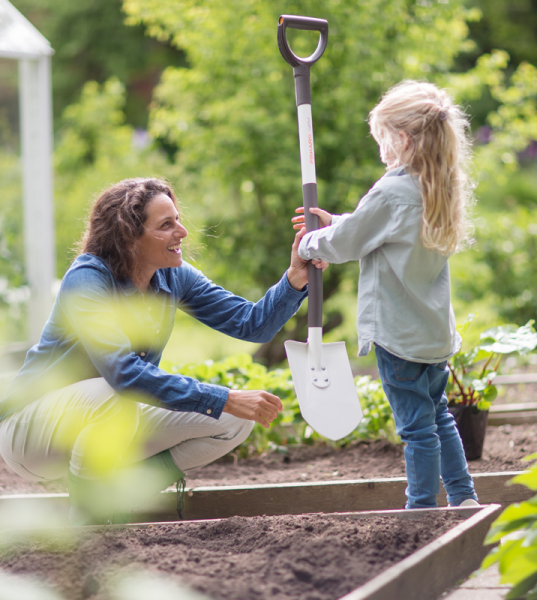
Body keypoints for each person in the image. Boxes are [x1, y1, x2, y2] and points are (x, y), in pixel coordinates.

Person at [0, 177, 324, 524]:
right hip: (32, 434)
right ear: (128, 236)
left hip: (110, 418)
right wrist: (223, 396)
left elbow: (252, 324)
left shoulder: (174, 277)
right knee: (117, 394)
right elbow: (124, 374)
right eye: (166, 225)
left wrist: (294, 279)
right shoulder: (88, 279)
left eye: (178, 220)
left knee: (234, 421)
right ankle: (87, 516)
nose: (182, 232)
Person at [292, 80, 478, 509]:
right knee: (439, 417)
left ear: (402, 139)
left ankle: (421, 509)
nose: (380, 148)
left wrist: (308, 244)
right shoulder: (437, 188)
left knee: (416, 429)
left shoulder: (392, 191)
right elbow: (379, 233)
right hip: (431, 335)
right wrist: (338, 221)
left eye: (380, 138)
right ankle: (464, 498)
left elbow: (349, 242)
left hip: (398, 336)